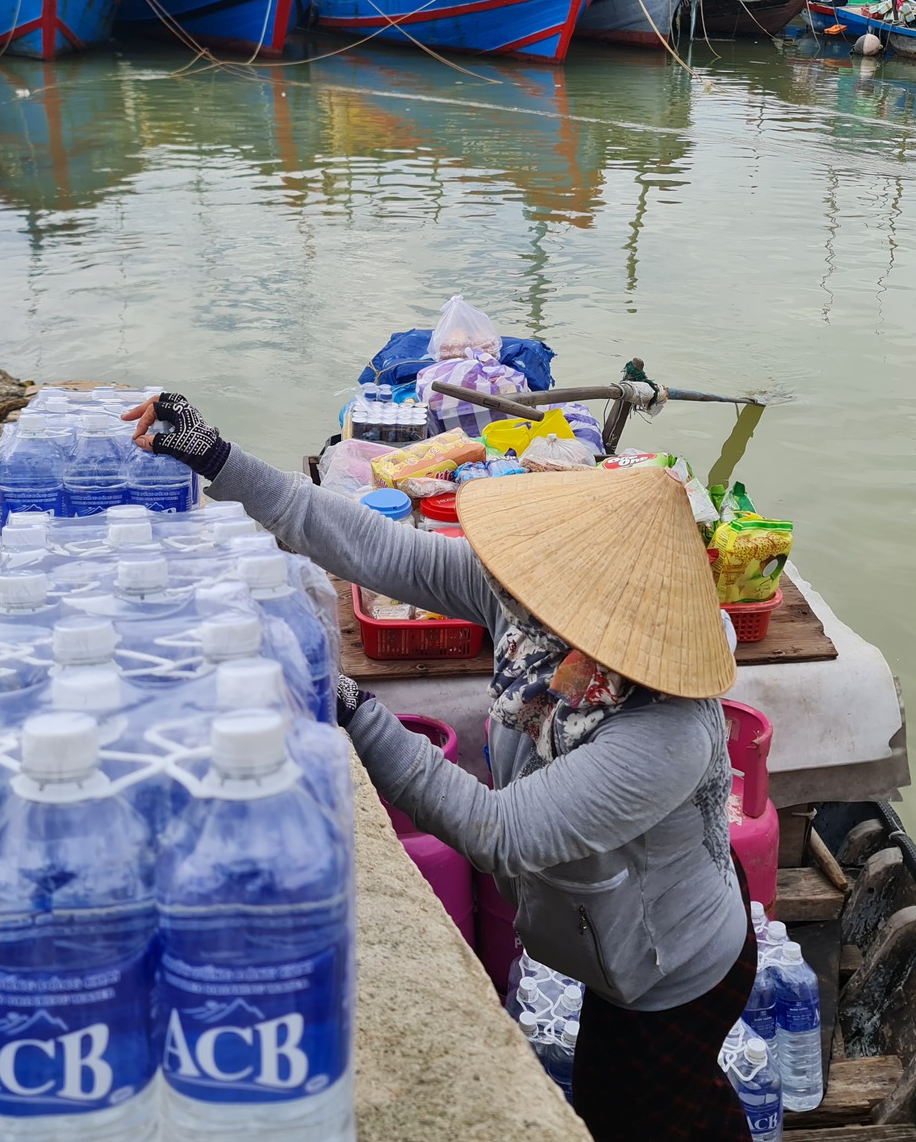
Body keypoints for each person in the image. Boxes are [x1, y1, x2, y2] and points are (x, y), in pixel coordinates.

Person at [126, 392, 754, 1142]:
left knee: (635, 1117)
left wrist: (352, 706)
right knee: (649, 1106)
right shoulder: (537, 621)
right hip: (613, 942)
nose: (521, 583)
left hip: (672, 973)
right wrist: (220, 461)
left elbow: (499, 831)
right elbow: (379, 549)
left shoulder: (666, 731)